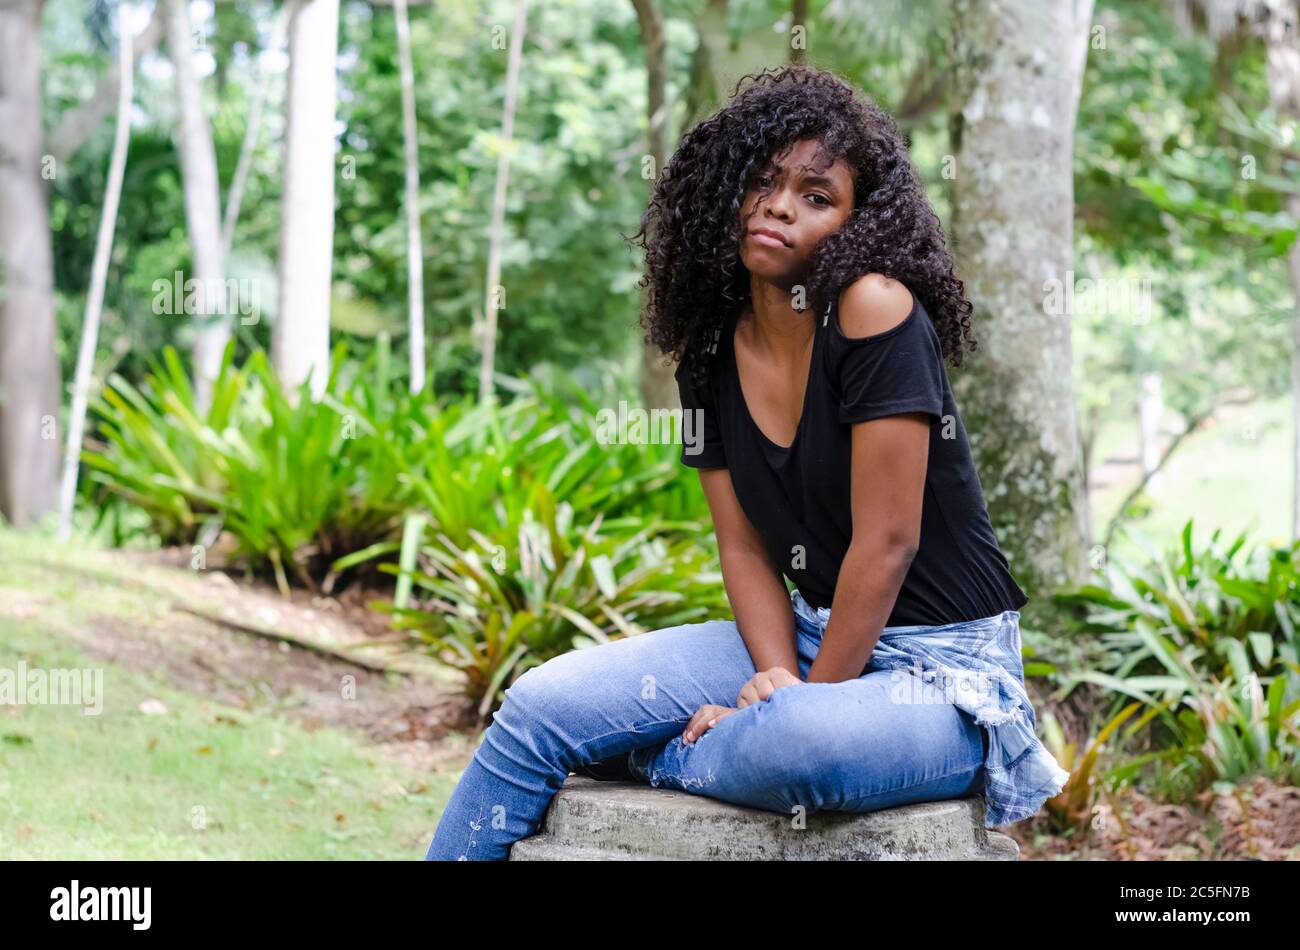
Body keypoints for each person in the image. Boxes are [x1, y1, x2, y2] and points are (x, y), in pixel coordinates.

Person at [423, 64, 1069, 861]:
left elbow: (889, 542)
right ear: (724, 190)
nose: (779, 206)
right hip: (805, 636)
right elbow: (745, 547)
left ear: (857, 224)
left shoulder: (873, 308)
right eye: (762, 181)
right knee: (538, 706)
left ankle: (645, 754)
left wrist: (789, 705)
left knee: (798, 740)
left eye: (816, 196)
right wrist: (775, 676)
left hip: (941, 673)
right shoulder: (708, 352)